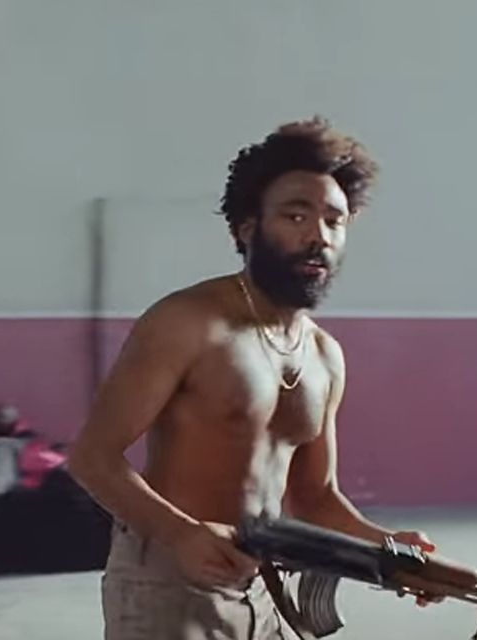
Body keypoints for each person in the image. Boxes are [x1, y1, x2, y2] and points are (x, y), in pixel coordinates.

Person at [66, 117, 439, 639]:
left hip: (266, 587)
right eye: (295, 215)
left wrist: (390, 549)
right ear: (247, 228)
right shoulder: (188, 322)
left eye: (334, 221)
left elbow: (316, 498)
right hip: (167, 582)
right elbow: (92, 458)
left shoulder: (324, 355)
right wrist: (181, 535)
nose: (318, 235)